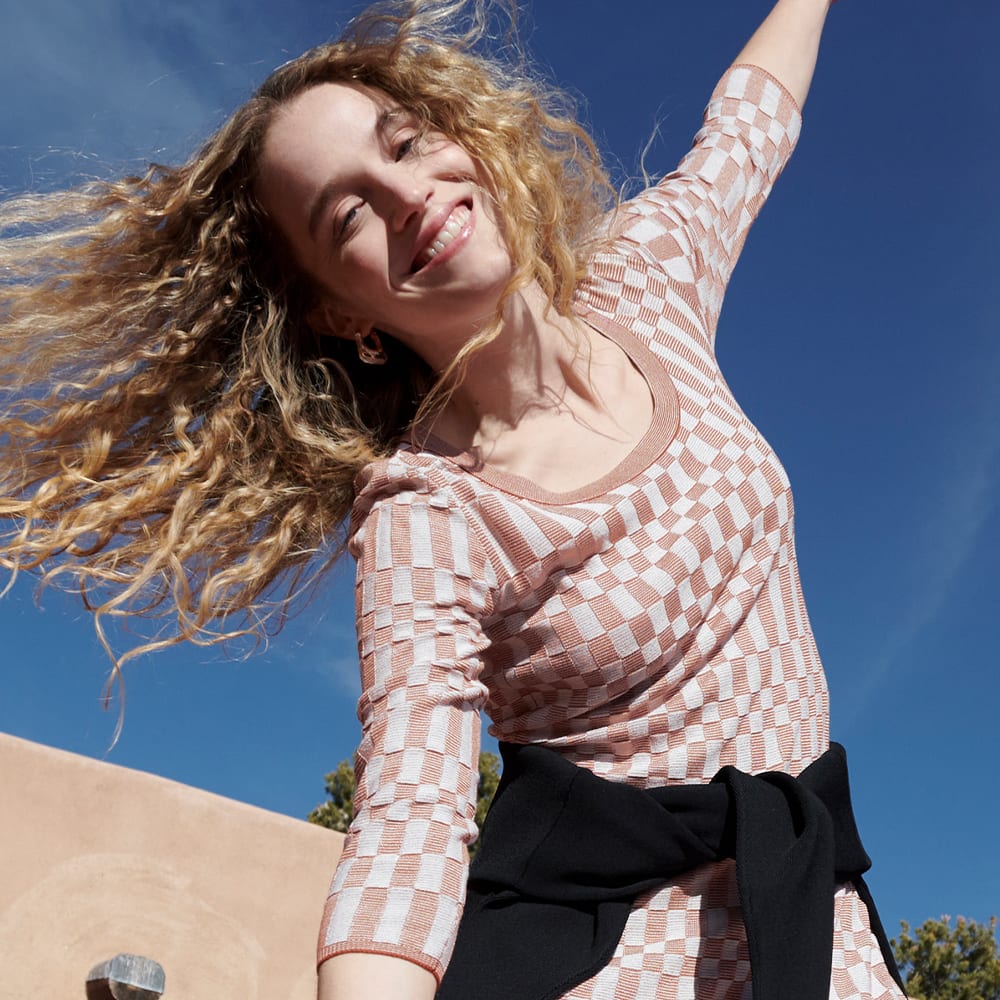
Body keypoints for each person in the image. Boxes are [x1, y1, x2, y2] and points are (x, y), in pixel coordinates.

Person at [0, 1, 907, 998]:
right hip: (620, 966)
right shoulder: (429, 511)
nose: (406, 196)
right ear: (341, 308)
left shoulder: (643, 278)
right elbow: (409, 816)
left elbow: (746, 129)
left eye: (406, 143)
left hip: (813, 925)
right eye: (347, 214)